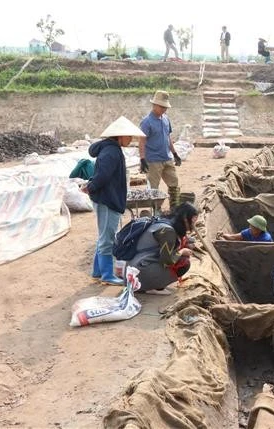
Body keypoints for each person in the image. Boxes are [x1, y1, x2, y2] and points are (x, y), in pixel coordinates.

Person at [82, 116, 146, 285]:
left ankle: (98, 272)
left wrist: (91, 186)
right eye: (128, 136)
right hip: (108, 200)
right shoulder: (111, 152)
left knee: (104, 236)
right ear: (119, 136)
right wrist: (91, 186)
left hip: (107, 197)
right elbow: (102, 176)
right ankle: (107, 275)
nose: (131, 140)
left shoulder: (111, 149)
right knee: (108, 238)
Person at [124, 202, 199, 294]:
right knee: (184, 262)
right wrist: (182, 251)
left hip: (132, 269)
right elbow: (167, 261)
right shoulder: (168, 232)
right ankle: (155, 287)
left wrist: (186, 243)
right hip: (139, 274)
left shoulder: (165, 221)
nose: (193, 225)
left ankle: (153, 282)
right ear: (185, 219)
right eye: (193, 221)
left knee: (184, 248)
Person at [139, 90, 182, 210]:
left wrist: (175, 154)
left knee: (174, 184)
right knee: (154, 189)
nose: (164, 109)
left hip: (167, 158)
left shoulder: (166, 119)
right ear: (154, 105)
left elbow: (168, 138)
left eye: (165, 107)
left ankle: (175, 209)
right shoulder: (147, 122)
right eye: (162, 107)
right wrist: (142, 159)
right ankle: (156, 213)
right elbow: (142, 142)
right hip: (153, 160)